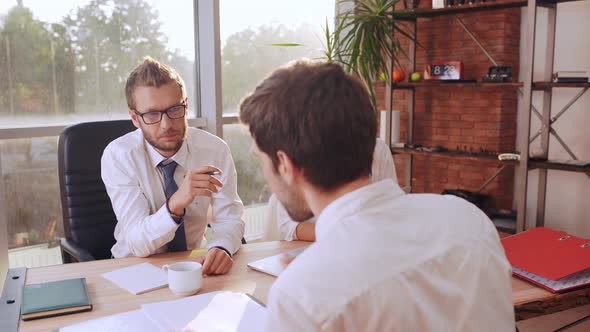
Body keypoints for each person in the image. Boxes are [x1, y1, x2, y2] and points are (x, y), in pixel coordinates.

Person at [239, 61, 514, 331]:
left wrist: (307, 284)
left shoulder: (303, 295)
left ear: (285, 165)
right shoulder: (469, 219)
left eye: (260, 159)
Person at [102, 57, 245, 276]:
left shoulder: (214, 150)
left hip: (193, 264)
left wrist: (222, 246)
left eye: (174, 110)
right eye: (152, 114)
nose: (167, 124)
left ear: (186, 106)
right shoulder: (119, 156)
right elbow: (137, 243)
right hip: (132, 268)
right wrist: (176, 203)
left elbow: (230, 217)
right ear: (134, 118)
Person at [267, 138, 397, 242]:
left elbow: (390, 213)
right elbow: (287, 226)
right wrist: (344, 236)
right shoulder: (299, 150)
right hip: (310, 249)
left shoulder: (377, 150)